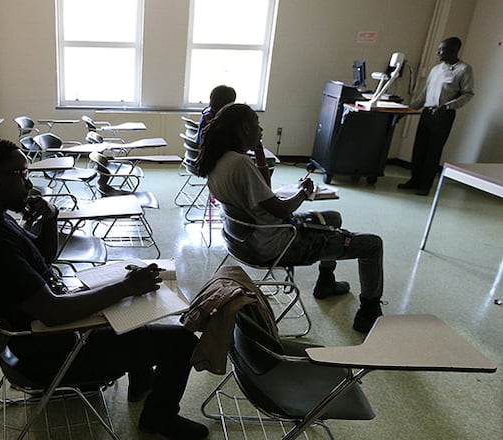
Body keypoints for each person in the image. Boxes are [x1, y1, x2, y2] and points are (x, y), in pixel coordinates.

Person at [0, 138, 209, 440]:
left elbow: (42, 258)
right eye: (22, 174)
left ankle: (141, 379)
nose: (28, 182)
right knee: (181, 341)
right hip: (51, 352)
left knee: (134, 309)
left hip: (38, 335)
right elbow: (53, 313)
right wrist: (124, 287)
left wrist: (50, 217)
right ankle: (159, 417)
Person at [195, 103, 384, 333]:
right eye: (257, 123)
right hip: (278, 243)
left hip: (246, 241)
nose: (261, 129)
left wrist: (259, 149)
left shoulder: (220, 160)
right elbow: (281, 210)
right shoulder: (240, 164)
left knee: (333, 218)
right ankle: (369, 312)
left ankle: (326, 282)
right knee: (372, 244)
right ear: (245, 128)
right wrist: (303, 192)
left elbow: (265, 188)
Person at [400, 37, 474, 196]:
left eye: (442, 50)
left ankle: (425, 185)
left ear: (453, 51)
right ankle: (414, 180)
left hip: (443, 115)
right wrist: (407, 111)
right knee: (419, 148)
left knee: (433, 151)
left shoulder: (463, 69)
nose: (438, 52)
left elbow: (468, 94)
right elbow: (424, 95)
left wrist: (448, 106)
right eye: (439, 49)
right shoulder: (435, 69)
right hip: (427, 113)